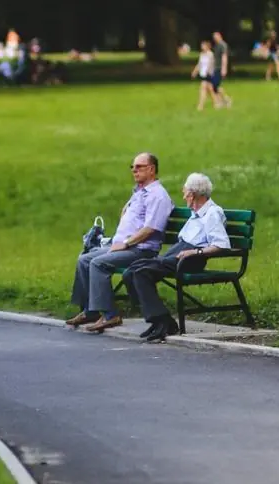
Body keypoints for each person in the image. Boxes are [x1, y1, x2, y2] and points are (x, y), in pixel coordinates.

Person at [67, 153, 174, 334]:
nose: (134, 170)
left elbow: (150, 229)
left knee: (98, 263)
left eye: (139, 167)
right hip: (125, 245)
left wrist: (125, 243)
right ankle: (90, 310)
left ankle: (110, 315)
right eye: (132, 167)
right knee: (84, 259)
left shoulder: (158, 196)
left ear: (151, 169)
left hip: (141, 251)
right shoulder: (140, 193)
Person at [122, 173, 231, 342]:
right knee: (131, 271)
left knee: (142, 272)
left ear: (192, 194)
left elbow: (221, 244)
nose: (183, 196)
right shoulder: (196, 213)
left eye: (185, 192)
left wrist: (195, 252)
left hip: (190, 259)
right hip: (178, 254)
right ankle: (158, 320)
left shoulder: (212, 213)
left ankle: (163, 322)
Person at [191, 40, 216, 111]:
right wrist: (195, 71)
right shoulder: (202, 54)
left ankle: (201, 105)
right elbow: (199, 64)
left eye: (203, 45)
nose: (202, 47)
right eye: (202, 45)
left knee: (202, 89)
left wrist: (209, 72)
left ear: (207, 46)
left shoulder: (210, 54)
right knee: (210, 90)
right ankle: (216, 103)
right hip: (202, 74)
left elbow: (212, 64)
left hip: (208, 74)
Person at [211, 32, 233, 108]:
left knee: (215, 85)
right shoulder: (216, 46)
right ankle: (222, 101)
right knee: (215, 86)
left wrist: (224, 68)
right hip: (215, 67)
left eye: (216, 37)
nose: (214, 39)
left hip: (220, 68)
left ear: (220, 36)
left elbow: (224, 57)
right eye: (214, 37)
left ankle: (225, 100)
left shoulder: (223, 45)